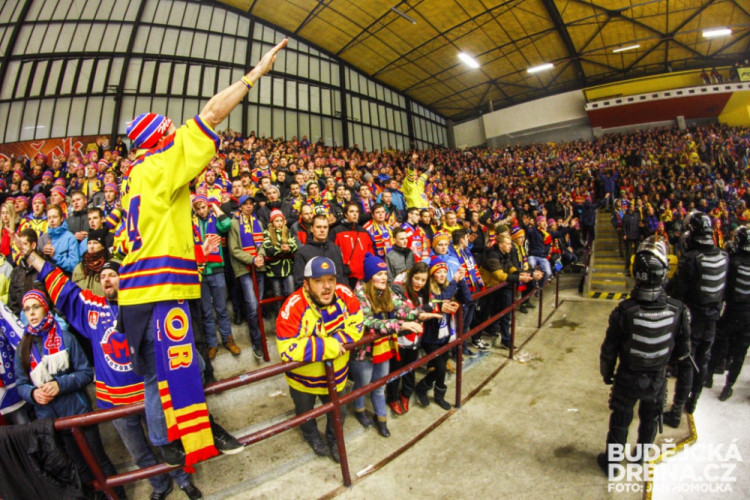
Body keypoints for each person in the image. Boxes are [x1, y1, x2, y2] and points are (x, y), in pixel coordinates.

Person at [116, 40, 287, 467]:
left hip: (137, 293)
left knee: (171, 372)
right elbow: (211, 113)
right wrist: (255, 74)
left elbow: (148, 233)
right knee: (177, 371)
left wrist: (192, 251)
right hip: (159, 294)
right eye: (170, 130)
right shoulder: (159, 165)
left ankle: (173, 436)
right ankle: (178, 441)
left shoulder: (134, 179)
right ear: (158, 140)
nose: (178, 132)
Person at [24, 253, 203, 499]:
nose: (106, 279)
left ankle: (183, 480)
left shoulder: (143, 305)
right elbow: (65, 290)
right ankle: (160, 486)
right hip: (115, 400)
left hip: (149, 393)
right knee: (139, 452)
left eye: (112, 275)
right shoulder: (92, 308)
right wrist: (33, 257)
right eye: (102, 276)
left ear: (125, 279)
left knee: (167, 442)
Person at [13, 289, 127, 499]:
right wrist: (33, 394)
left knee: (98, 460)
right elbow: (21, 384)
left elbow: (85, 373)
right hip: (52, 420)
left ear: (45, 308)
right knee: (79, 466)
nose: (31, 313)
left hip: (78, 412)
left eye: (36, 307)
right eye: (27, 309)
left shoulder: (66, 337)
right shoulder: (23, 348)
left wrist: (59, 384)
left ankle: (117, 496)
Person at [597, 240, 691, 475]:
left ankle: (612, 464)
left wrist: (607, 373)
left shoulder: (623, 311)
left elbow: (609, 350)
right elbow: (682, 352)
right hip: (657, 378)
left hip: (627, 377)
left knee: (621, 419)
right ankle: (639, 458)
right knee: (650, 419)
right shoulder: (678, 309)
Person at [276, 257, 363, 462]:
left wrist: (333, 340)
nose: (327, 287)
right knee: (305, 415)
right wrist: (331, 346)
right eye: (318, 280)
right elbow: (287, 349)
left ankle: (333, 440)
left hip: (337, 376)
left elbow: (358, 323)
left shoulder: (344, 294)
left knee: (339, 413)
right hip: (303, 382)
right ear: (306, 284)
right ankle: (312, 437)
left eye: (331, 279)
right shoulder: (294, 306)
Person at [663, 212, 728, 428]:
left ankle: (675, 412)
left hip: (693, 319)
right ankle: (692, 403)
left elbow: (677, 292)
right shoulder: (723, 255)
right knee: (703, 360)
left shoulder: (692, 259)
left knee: (687, 364)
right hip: (712, 319)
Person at [351, 254, 424, 437]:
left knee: (380, 384)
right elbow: (368, 323)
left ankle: (381, 418)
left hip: (383, 348)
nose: (384, 277)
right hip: (364, 352)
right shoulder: (358, 296)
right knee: (363, 384)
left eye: (385, 273)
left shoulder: (387, 292)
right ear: (369, 277)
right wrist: (401, 325)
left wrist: (423, 313)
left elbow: (403, 309)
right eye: (379, 274)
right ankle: (359, 409)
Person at [414, 256, 468, 410]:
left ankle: (435, 394)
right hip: (430, 337)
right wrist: (454, 281)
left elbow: (467, 298)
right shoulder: (427, 290)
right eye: (439, 272)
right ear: (432, 275)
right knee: (440, 368)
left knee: (441, 367)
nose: (443, 275)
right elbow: (441, 299)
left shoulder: (447, 286)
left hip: (445, 335)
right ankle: (424, 388)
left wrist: (461, 280)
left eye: (445, 271)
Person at [386, 262, 441, 415]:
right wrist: (423, 310)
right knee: (395, 371)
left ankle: (406, 394)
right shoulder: (399, 289)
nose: (419, 283)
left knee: (410, 369)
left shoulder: (425, 292)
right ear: (410, 277)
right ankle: (392, 398)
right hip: (400, 339)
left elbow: (434, 305)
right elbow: (403, 312)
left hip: (416, 339)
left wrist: (425, 309)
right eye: (416, 279)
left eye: (423, 280)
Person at [194, 195, 239, 357]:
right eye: (198, 209)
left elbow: (227, 224)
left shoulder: (215, 220)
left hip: (217, 271)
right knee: (206, 312)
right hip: (201, 273)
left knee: (221, 309)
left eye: (203, 207)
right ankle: (212, 344)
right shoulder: (192, 224)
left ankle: (228, 339)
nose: (201, 211)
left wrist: (214, 206)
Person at [711, 226, 750, 402]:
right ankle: (729, 385)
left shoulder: (733, 261)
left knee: (720, 341)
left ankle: (709, 375)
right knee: (741, 351)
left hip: (733, 310)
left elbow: (724, 287)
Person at [228, 193, 266, 359]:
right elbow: (234, 249)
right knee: (251, 305)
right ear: (241, 207)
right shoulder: (235, 224)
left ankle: (261, 337)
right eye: (246, 204)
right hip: (244, 269)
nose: (249, 206)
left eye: (251, 204)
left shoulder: (258, 222)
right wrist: (252, 259)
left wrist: (261, 256)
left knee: (258, 303)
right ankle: (256, 341)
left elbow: (263, 243)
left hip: (259, 268)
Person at [293, 214, 347, 289]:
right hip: (315, 298)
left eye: (325, 227)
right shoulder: (303, 253)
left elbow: (343, 276)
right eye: (318, 227)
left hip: (337, 296)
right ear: (312, 229)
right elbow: (299, 282)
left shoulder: (336, 249)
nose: (322, 230)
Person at [330, 203, 373, 288]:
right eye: (351, 211)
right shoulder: (336, 231)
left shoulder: (364, 232)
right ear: (345, 214)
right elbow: (332, 254)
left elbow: (370, 253)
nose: (355, 214)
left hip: (363, 275)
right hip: (346, 276)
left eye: (357, 212)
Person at [260, 208, 297, 300]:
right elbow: (268, 249)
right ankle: (278, 313)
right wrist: (281, 248)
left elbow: (294, 245)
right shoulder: (267, 233)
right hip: (274, 270)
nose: (279, 223)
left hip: (287, 269)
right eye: (277, 221)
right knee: (277, 295)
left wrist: (288, 248)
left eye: (281, 220)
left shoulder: (287, 231)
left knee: (291, 294)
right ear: (272, 222)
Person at [38, 204, 80, 274]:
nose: (51, 220)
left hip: (65, 280)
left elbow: (74, 266)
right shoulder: (42, 239)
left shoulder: (70, 238)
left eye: (55, 217)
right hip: (46, 280)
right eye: (49, 218)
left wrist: (55, 255)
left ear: (61, 218)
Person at [71, 228, 109, 295]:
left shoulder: (110, 266)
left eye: (95, 243)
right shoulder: (79, 267)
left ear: (103, 246)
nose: (91, 246)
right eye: (89, 243)